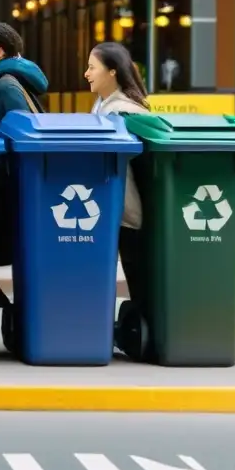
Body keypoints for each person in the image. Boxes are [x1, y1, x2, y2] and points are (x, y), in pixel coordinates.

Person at [0, 21, 49, 318]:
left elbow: (22, 140)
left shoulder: (5, 86)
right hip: (1, 191)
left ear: (0, 51)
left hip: (4, 195)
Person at [84, 41, 150, 314]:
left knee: (138, 276)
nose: (86, 73)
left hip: (126, 208)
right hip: (114, 207)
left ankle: (144, 328)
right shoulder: (104, 106)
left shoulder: (123, 111)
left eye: (92, 67)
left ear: (112, 72)